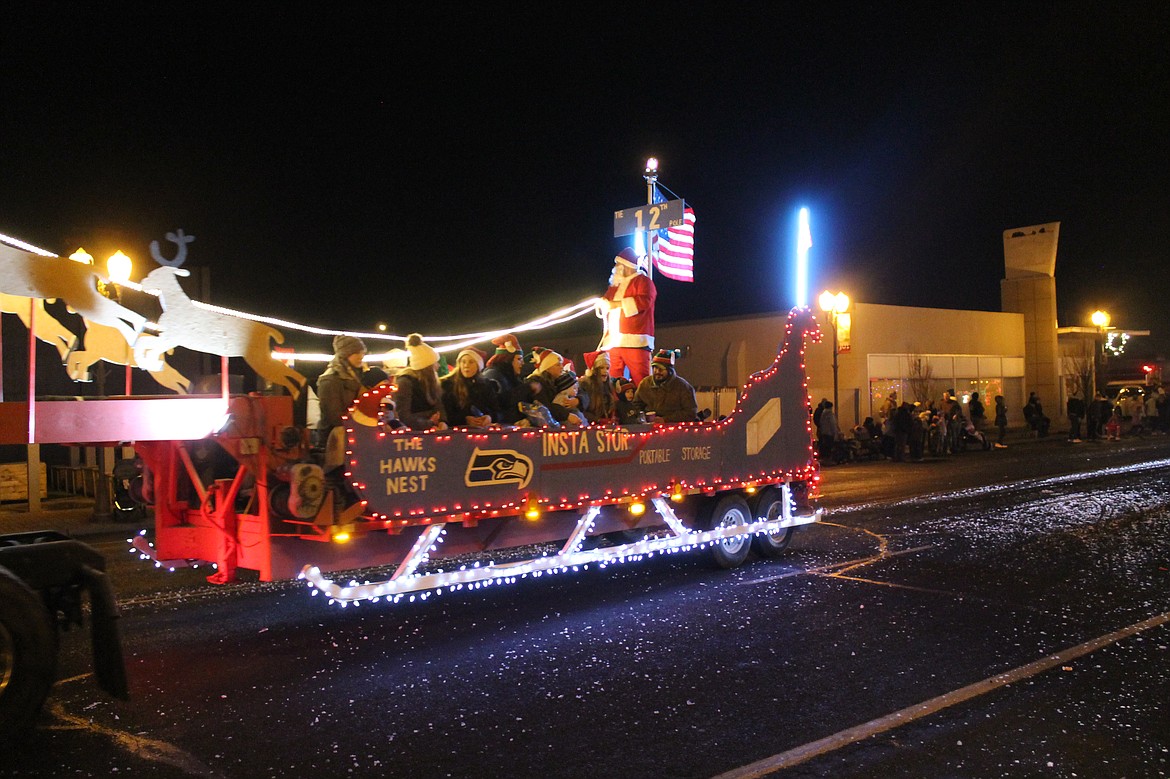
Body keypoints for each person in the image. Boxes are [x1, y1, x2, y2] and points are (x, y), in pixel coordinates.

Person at [597, 247, 656, 386]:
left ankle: (645, 406)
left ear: (626, 266)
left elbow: (644, 301)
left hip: (636, 341)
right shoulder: (615, 286)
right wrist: (602, 303)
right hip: (614, 342)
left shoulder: (643, 281)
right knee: (612, 381)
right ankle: (615, 406)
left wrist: (615, 304)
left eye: (618, 265)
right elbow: (607, 300)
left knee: (642, 380)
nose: (615, 268)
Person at [315, 334, 366, 460]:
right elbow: (334, 417)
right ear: (345, 355)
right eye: (356, 352)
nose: (361, 356)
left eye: (362, 352)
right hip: (334, 442)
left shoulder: (358, 377)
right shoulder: (329, 381)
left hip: (353, 437)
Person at [395, 333, 448, 430]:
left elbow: (439, 405)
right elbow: (403, 416)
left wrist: (442, 421)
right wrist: (429, 423)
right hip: (414, 436)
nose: (438, 366)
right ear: (427, 367)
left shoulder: (431, 382)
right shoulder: (405, 382)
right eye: (435, 363)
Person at [440, 346, 499, 429]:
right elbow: (446, 414)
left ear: (478, 365)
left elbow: (496, 410)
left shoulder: (486, 385)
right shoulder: (448, 385)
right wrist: (464, 419)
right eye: (463, 362)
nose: (466, 365)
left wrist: (489, 417)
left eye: (471, 362)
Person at [635, 349, 698, 424]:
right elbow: (636, 405)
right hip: (648, 427)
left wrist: (666, 419)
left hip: (673, 429)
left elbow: (690, 412)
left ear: (670, 370)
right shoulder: (645, 384)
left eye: (661, 369)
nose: (657, 372)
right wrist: (642, 417)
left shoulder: (683, 387)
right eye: (655, 368)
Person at [527, 346, 583, 425]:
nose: (561, 367)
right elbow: (544, 406)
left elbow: (581, 392)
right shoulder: (537, 383)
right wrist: (566, 415)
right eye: (558, 365)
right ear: (547, 368)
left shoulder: (555, 381)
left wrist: (578, 400)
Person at [482, 334, 526, 424]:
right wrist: (527, 388)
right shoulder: (493, 375)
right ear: (508, 359)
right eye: (519, 359)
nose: (523, 363)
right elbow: (502, 402)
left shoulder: (510, 377)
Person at [579, 351, 618, 424]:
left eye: (607, 368)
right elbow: (582, 410)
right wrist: (598, 420)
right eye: (601, 368)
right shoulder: (585, 384)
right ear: (594, 370)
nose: (605, 371)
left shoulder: (609, 384)